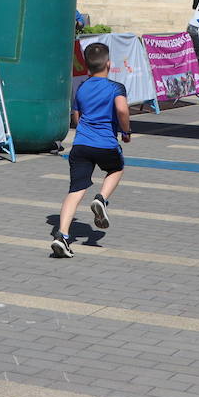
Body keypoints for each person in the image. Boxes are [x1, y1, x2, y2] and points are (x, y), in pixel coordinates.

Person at [51, 42, 131, 258]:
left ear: (87, 66)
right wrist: (126, 131)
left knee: (75, 190)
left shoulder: (82, 87)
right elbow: (122, 109)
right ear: (108, 64)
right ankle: (101, 199)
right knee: (116, 169)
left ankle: (62, 236)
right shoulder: (116, 87)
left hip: (81, 146)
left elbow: (76, 118)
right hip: (105, 144)